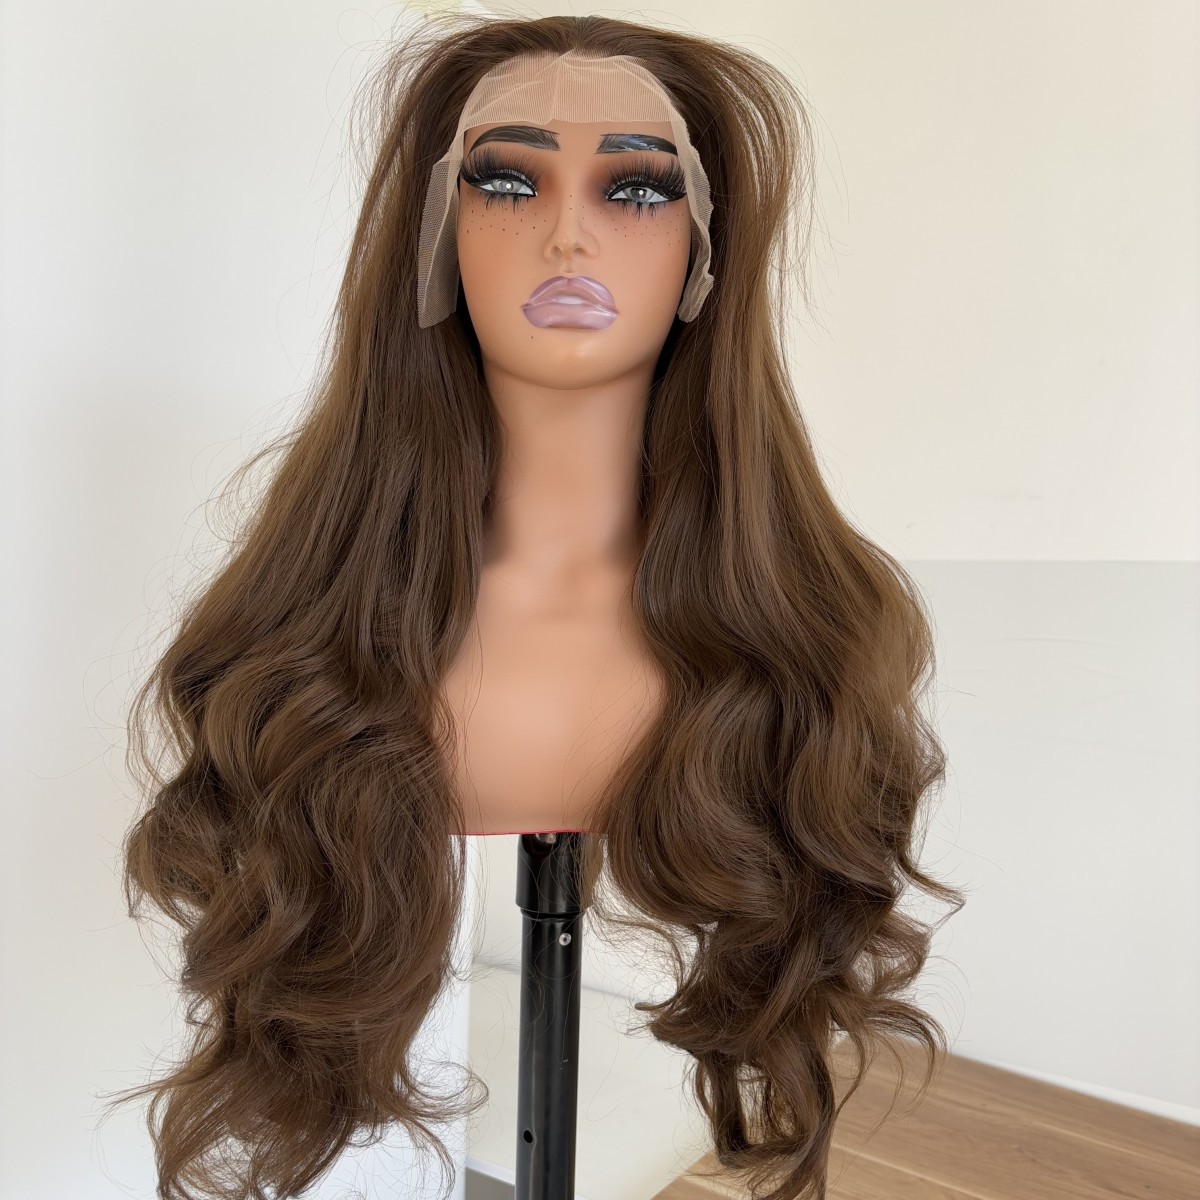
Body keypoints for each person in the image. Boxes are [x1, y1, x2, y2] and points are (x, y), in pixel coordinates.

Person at [102, 14, 965, 1200]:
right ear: (435, 235)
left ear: (706, 253)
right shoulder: (313, 630)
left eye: (638, 190)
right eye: (506, 183)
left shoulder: (806, 631)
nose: (568, 233)